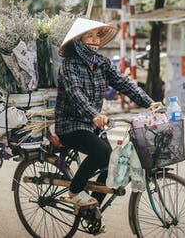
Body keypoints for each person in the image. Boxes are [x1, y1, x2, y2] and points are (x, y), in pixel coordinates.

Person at [55, 18, 157, 208]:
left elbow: (123, 83)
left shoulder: (102, 63)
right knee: (101, 152)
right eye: (89, 36)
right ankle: (75, 191)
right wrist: (94, 114)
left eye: (97, 36)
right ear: (78, 40)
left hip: (93, 125)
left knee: (111, 163)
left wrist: (149, 103)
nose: (95, 40)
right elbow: (76, 93)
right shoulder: (69, 65)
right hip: (70, 124)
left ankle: (93, 210)